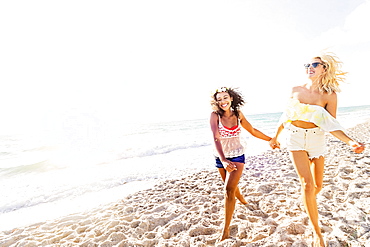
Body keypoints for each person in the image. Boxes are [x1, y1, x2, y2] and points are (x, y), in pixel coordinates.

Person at [269, 52, 365, 246]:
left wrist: (350, 142)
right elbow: (286, 115)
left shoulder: (330, 95)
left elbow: (331, 124)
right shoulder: (295, 89)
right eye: (307, 64)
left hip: (317, 140)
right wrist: (275, 136)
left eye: (315, 64)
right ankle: (317, 232)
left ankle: (307, 202)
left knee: (317, 187)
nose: (310, 67)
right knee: (307, 185)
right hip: (295, 138)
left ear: (324, 69)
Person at [210, 87, 272, 242]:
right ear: (216, 102)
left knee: (228, 190)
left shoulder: (238, 114)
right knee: (229, 184)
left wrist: (270, 139)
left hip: (237, 154)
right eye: (219, 99)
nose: (223, 101)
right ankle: (243, 200)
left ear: (231, 98)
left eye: (225, 98)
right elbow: (216, 138)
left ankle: (225, 231)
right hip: (220, 155)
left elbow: (252, 130)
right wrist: (223, 160)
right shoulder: (215, 116)